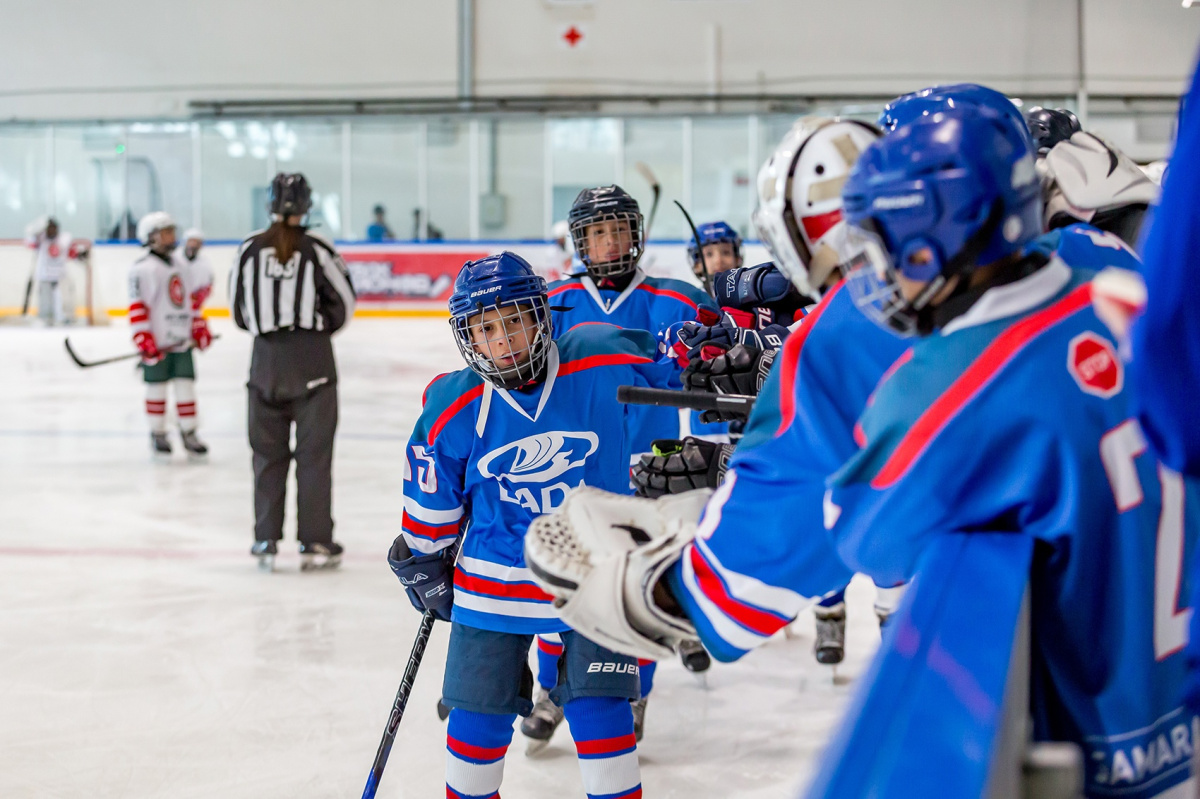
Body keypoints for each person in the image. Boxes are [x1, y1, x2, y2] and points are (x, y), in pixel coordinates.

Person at [388, 252, 675, 799]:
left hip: (597, 576)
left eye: (514, 320)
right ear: (468, 336)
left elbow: (680, 363)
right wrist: (422, 557)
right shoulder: (452, 403)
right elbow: (431, 511)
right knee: (475, 725)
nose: (503, 340)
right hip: (493, 586)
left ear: (541, 316)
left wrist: (722, 345)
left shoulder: (598, 355)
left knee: (603, 715)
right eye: (486, 329)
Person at [526, 185, 715, 746]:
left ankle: (633, 693)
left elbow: (716, 360)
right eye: (597, 232)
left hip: (653, 467)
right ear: (579, 241)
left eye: (617, 229)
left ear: (636, 234)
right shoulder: (553, 302)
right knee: (564, 580)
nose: (609, 241)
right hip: (576, 469)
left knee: (639, 590)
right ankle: (551, 689)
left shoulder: (677, 301)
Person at [228, 173, 357, 572]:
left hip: (264, 363)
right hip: (312, 363)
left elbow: (237, 311)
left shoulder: (249, 248)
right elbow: (345, 303)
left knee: (266, 456)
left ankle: (265, 539)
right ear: (307, 205)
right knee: (314, 458)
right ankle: (315, 540)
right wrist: (314, 331)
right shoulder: (317, 247)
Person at [128, 212, 212, 457]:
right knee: (156, 388)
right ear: (150, 237)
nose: (171, 237)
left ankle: (189, 432)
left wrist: (198, 325)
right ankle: (157, 432)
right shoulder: (142, 269)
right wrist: (142, 337)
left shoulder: (182, 265)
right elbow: (138, 307)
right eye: (165, 232)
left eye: (172, 232)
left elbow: (189, 302)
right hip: (158, 343)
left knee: (186, 387)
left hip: (182, 342)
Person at [25, 216, 87, 326]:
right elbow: (29, 239)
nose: (51, 230)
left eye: (53, 227)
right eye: (49, 228)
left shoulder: (64, 238)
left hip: (60, 276)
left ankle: (63, 317)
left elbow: (72, 253)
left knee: (62, 298)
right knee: (45, 300)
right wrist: (40, 224)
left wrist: (79, 255)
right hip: (44, 275)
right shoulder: (40, 238)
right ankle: (45, 319)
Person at [180, 228, 214, 315]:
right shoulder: (174, 260)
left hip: (194, 310)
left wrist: (199, 297)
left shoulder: (205, 264)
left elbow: (208, 285)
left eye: (197, 242)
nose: (193, 245)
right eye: (191, 241)